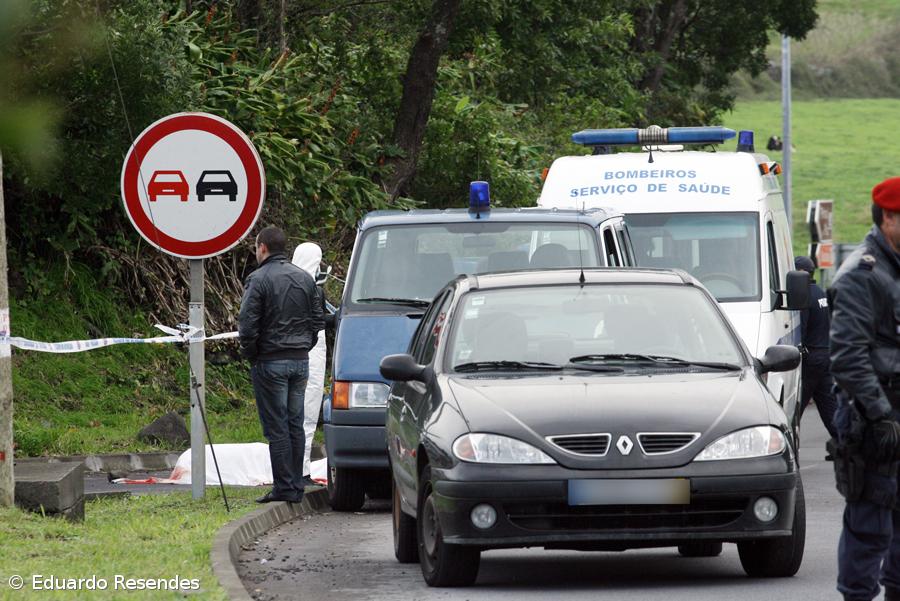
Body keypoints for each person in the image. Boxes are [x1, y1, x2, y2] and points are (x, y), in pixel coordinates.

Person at [831, 177, 900, 601]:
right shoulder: (863, 272)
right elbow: (847, 355)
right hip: (873, 415)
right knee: (870, 521)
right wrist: (880, 415)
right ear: (888, 218)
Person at [239, 226, 325, 503]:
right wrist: (303, 347)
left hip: (270, 361)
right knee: (295, 424)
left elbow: (248, 325)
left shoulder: (258, 279)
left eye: (255, 246)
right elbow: (317, 321)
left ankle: (284, 487)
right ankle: (297, 484)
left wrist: (253, 355)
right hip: (300, 361)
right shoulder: (305, 279)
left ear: (262, 247)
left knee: (276, 427)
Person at [291, 242, 329, 488]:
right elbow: (318, 322)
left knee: (291, 413)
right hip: (310, 354)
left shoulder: (283, 283)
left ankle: (290, 471)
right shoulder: (312, 290)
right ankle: (300, 470)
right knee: (307, 411)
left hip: (284, 354)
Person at [795, 255, 838, 442]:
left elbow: (801, 329)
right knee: (829, 406)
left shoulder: (804, 295)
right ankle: (844, 443)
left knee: (795, 407)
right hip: (826, 354)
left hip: (811, 358)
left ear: (802, 273)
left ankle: (786, 444)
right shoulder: (821, 293)